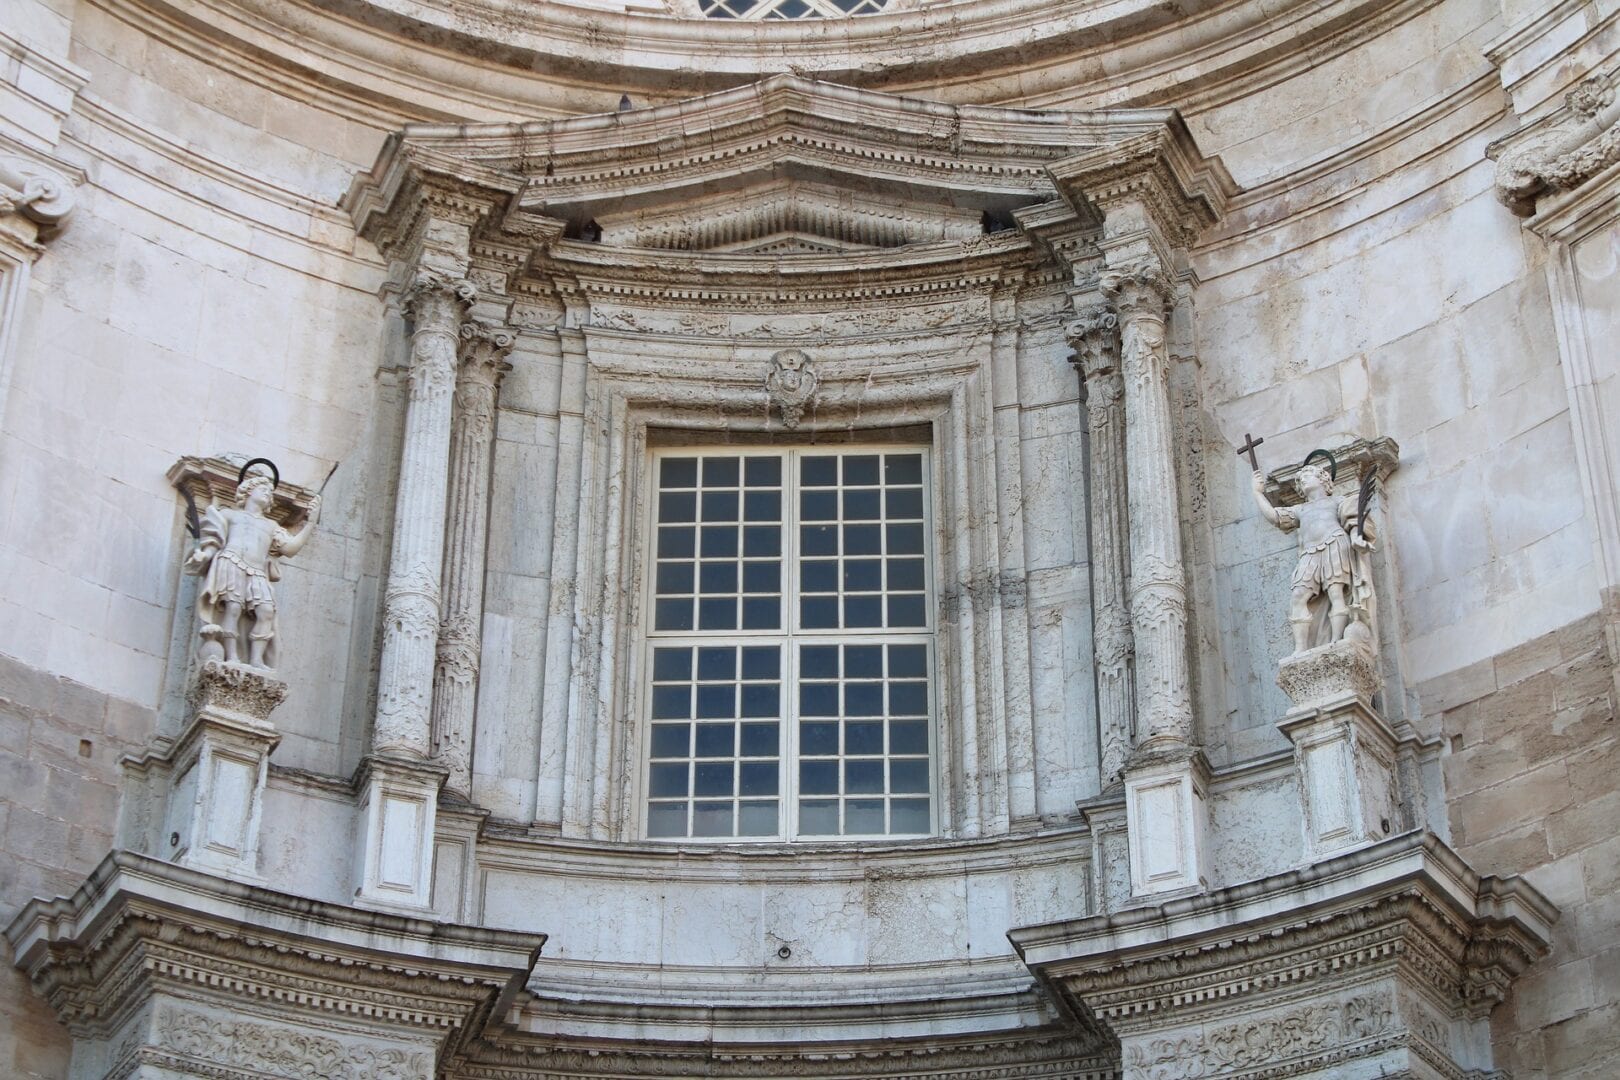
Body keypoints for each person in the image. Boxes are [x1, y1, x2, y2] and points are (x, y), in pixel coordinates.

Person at [186, 471, 319, 669]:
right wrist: (204, 555)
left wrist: (311, 522)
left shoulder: (271, 525)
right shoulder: (229, 515)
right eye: (262, 489)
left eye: (269, 492)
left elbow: (290, 549)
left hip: (257, 571)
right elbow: (216, 540)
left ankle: (257, 659)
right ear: (248, 492)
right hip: (231, 562)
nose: (267, 493)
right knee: (233, 609)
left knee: (265, 612)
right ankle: (231, 656)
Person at [1251, 461, 1374, 656]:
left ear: (1323, 479)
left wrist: (1357, 539)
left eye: (1308, 475)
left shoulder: (1339, 501)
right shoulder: (1300, 509)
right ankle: (1300, 648)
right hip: (1309, 553)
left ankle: (1336, 640)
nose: (1303, 479)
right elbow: (1275, 517)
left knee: (1336, 594)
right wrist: (1257, 493)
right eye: (1300, 479)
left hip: (1334, 543)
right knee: (1298, 597)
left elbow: (1353, 522)